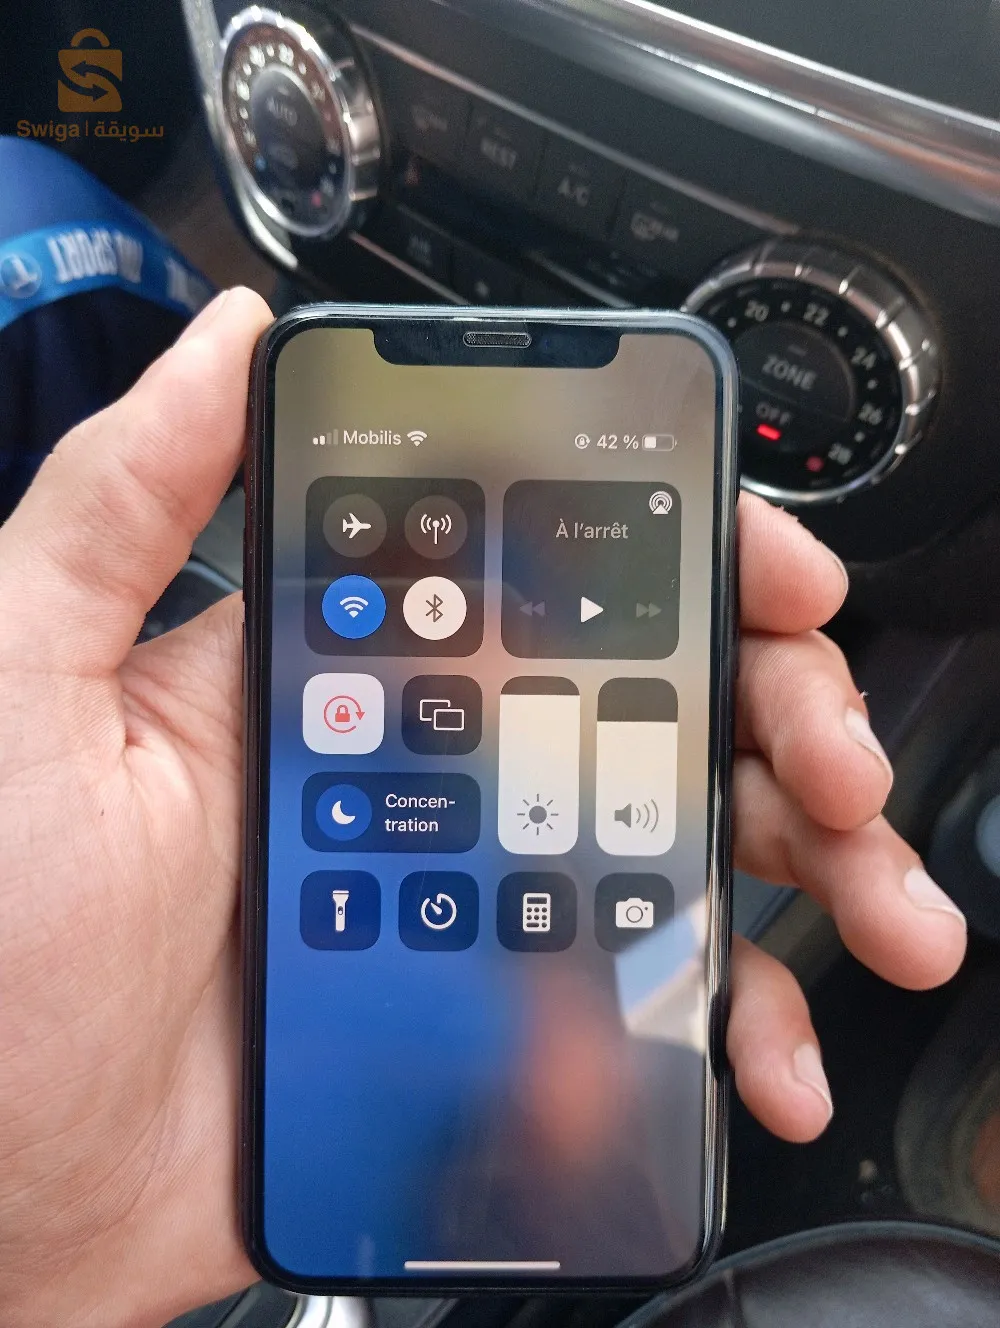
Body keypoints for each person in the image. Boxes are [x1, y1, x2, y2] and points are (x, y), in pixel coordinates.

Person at [0, 287, 968, 1328]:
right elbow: (573, 1098)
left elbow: (578, 1087)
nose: (488, 640)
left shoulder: (517, 837)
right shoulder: (323, 782)